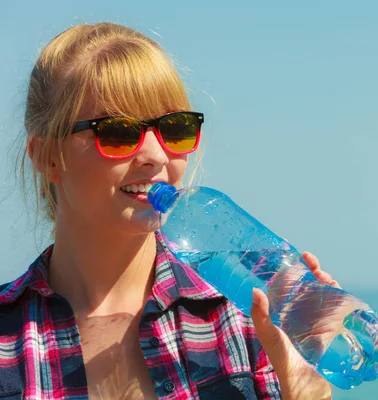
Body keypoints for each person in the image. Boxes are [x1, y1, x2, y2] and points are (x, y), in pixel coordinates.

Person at [0, 22, 339, 399]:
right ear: (48, 157)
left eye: (174, 129)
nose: (157, 157)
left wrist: (306, 390)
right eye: (118, 132)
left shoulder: (246, 318)